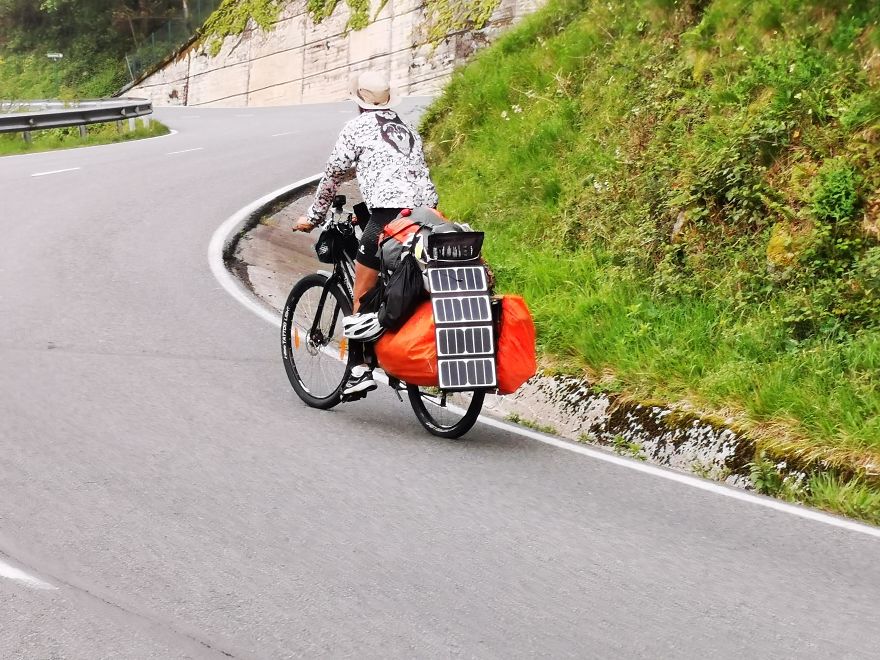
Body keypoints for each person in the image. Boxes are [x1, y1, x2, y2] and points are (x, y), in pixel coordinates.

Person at [294, 70, 439, 398]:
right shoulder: (406, 129)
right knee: (398, 275)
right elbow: (418, 179)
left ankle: (359, 369)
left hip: (388, 217)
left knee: (362, 287)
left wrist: (314, 216)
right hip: (426, 216)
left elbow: (332, 176)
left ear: (358, 102)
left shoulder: (356, 128)